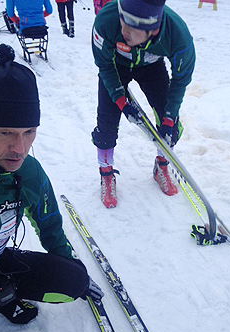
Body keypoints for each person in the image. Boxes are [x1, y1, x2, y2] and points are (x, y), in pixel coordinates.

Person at [0, 44, 104, 332]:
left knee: (73, 280)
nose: (19, 148)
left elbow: (48, 221)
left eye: (29, 132)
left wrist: (66, 262)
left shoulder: (27, 171)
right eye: (5, 133)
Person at [91, 0, 195, 208]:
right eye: (123, 23)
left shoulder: (178, 35)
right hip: (115, 66)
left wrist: (168, 117)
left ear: (153, 30)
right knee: (106, 125)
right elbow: (103, 64)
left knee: (171, 128)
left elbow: (181, 79)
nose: (123, 31)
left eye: (131, 29)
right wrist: (121, 100)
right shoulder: (106, 20)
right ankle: (106, 173)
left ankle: (161, 165)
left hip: (151, 67)